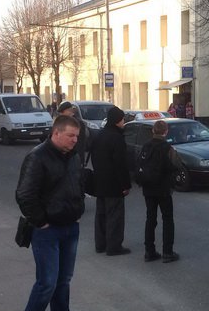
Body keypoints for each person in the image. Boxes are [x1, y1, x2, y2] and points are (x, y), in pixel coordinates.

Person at [15, 114, 90, 311]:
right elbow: (25, 194)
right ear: (56, 133)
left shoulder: (73, 156)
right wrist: (41, 222)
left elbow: (78, 184)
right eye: (70, 136)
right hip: (47, 231)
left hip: (70, 226)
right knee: (47, 281)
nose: (75, 140)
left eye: (77, 136)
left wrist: (78, 209)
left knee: (63, 280)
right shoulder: (37, 157)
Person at [90, 106, 132, 256]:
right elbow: (121, 164)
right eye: (122, 119)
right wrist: (125, 185)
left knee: (101, 215)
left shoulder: (99, 135)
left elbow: (93, 157)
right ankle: (114, 246)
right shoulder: (117, 138)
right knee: (115, 216)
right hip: (114, 184)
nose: (123, 122)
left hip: (99, 182)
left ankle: (100, 244)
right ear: (117, 121)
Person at [140, 120, 183, 263]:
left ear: (153, 131)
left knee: (150, 219)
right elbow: (177, 164)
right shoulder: (168, 148)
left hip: (148, 188)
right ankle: (167, 252)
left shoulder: (146, 146)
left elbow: (139, 163)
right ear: (166, 132)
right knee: (167, 219)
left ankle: (149, 251)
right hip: (164, 189)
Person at [58, 101, 89, 167]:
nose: (60, 115)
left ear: (68, 111)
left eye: (62, 113)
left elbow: (79, 143)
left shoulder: (76, 123)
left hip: (73, 158)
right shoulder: (66, 122)